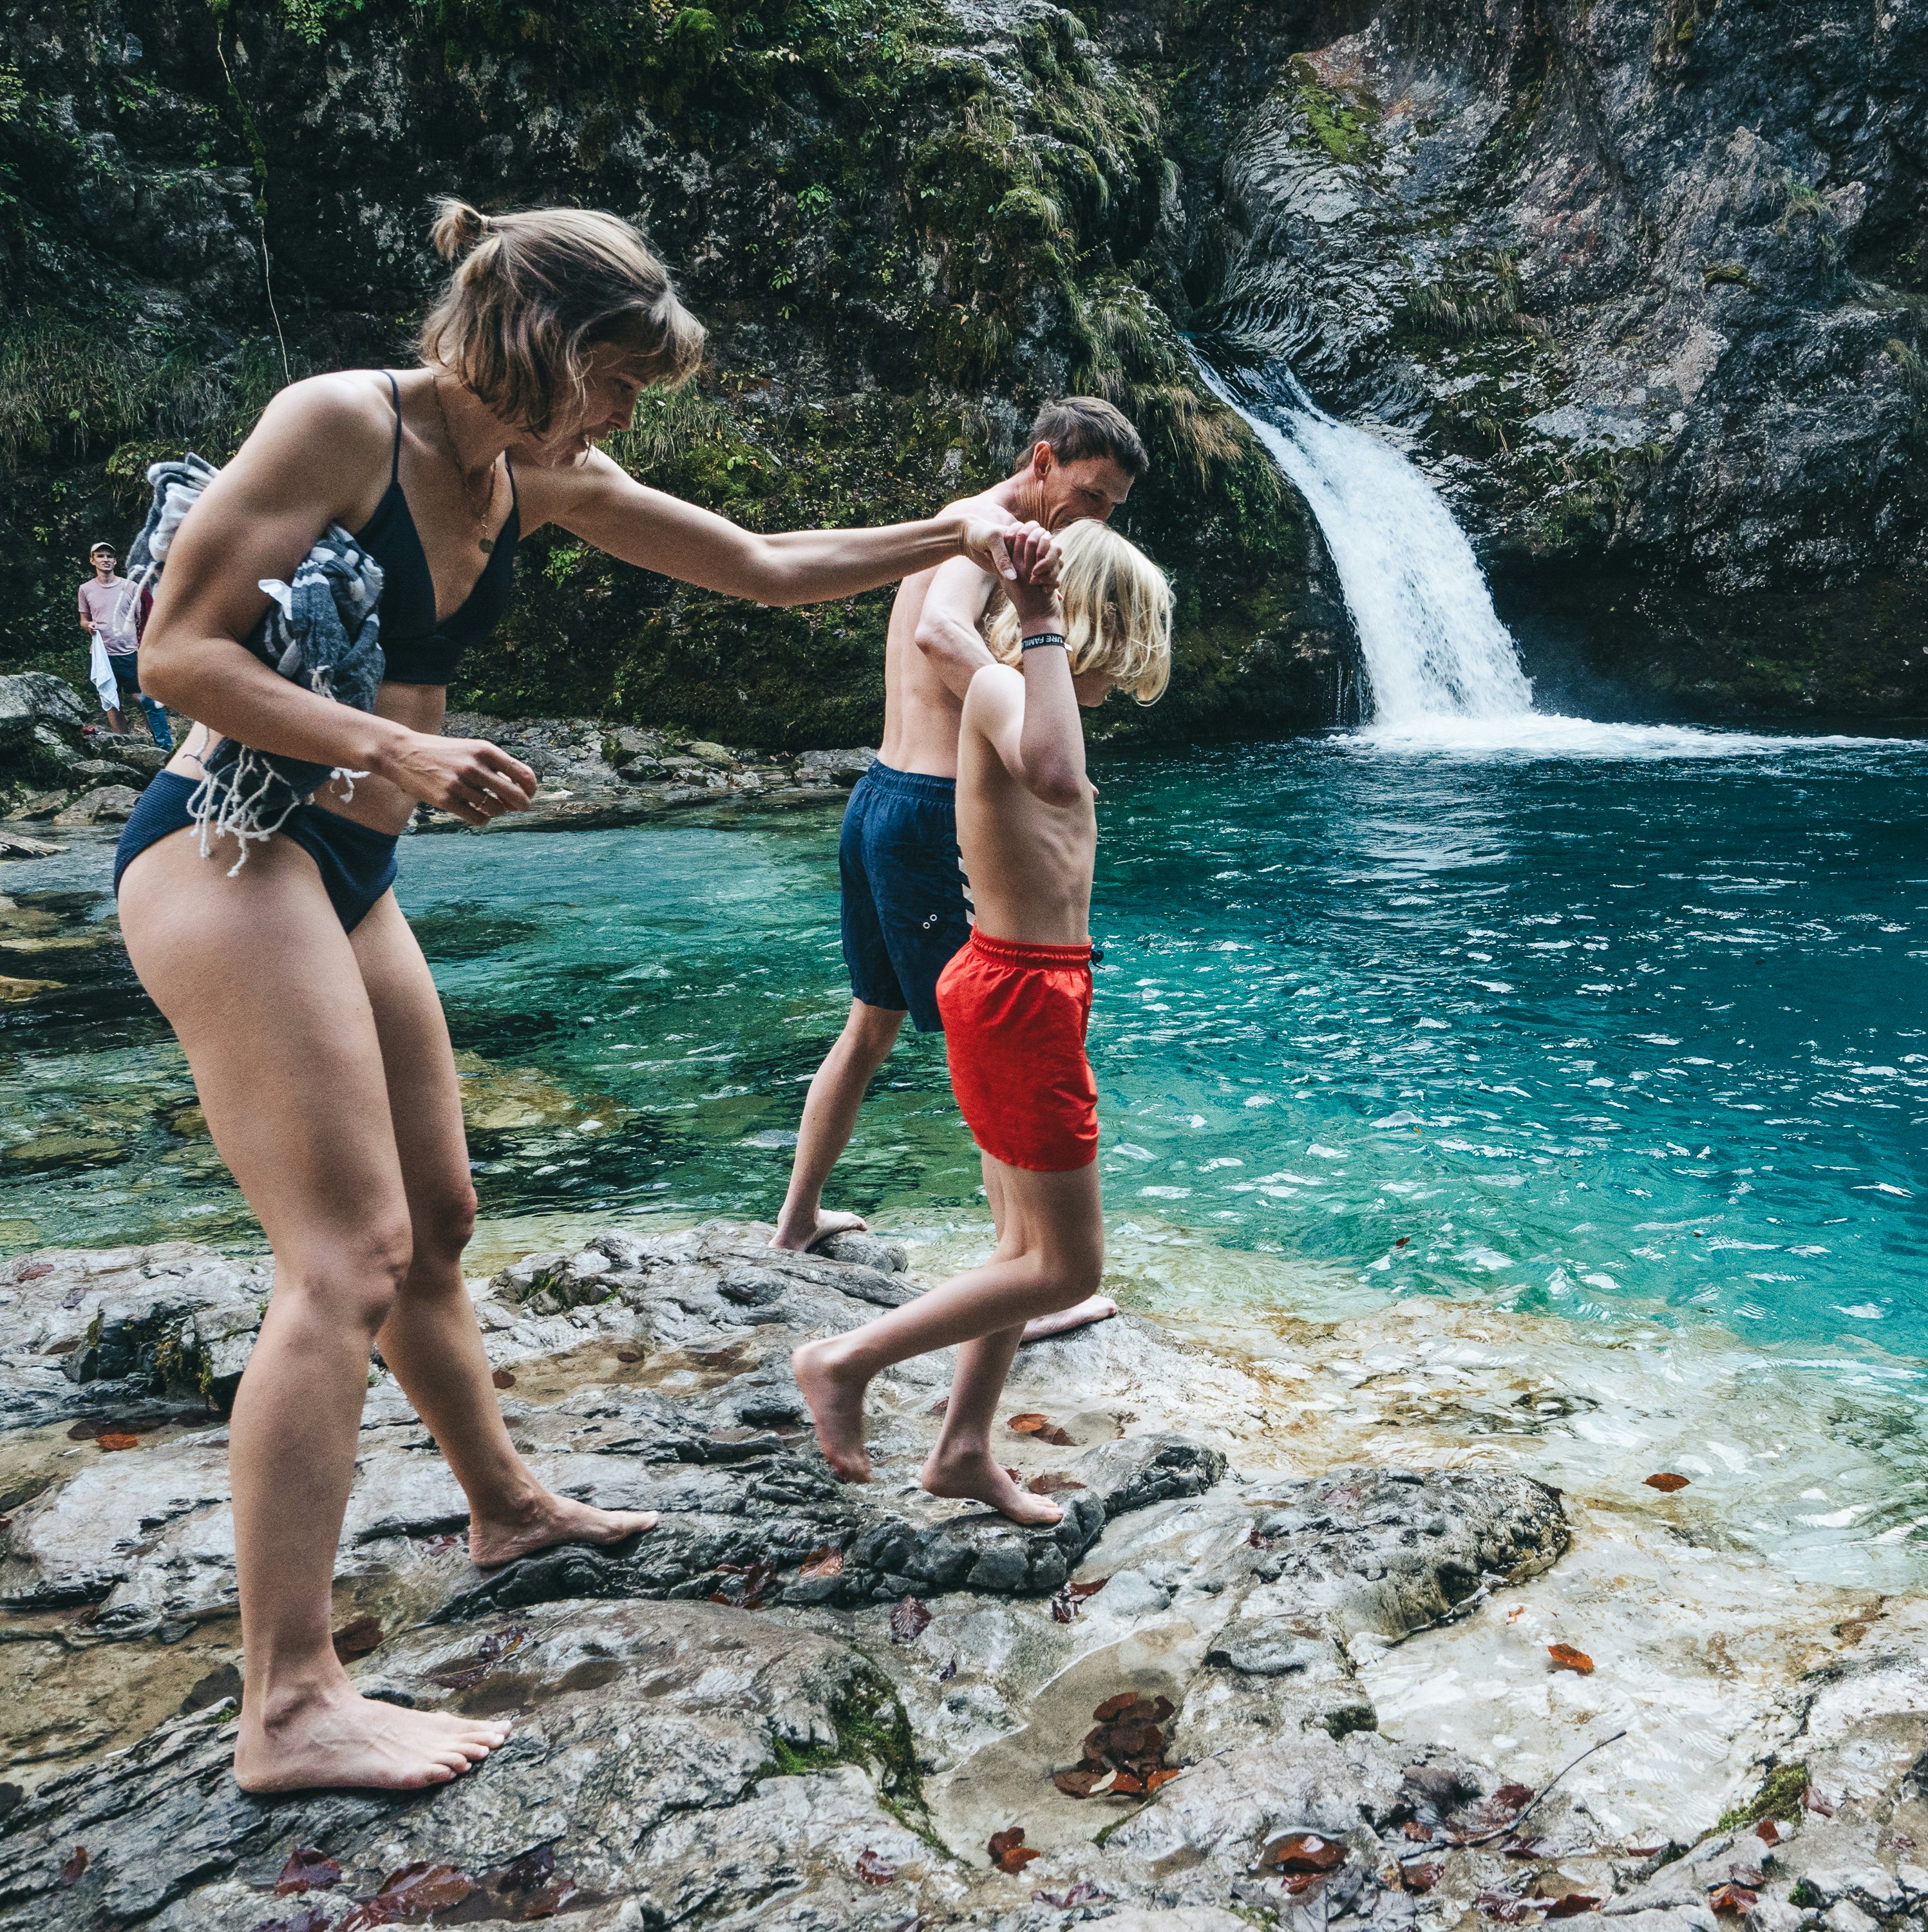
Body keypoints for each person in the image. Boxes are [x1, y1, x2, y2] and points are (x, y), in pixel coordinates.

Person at [117, 199, 1054, 1796]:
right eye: (618, 381)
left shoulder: (527, 469)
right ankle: (289, 1701)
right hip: (234, 848)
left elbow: (761, 566)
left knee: (443, 1213)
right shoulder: (342, 420)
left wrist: (954, 531)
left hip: (352, 871)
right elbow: (174, 655)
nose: (627, 417)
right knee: (344, 1257)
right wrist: (396, 750)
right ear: (545, 347)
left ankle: (501, 1505)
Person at [795, 520, 1172, 1524]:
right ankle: (844, 1361)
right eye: (1131, 637)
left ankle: (962, 1449)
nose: (1129, 671)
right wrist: (1042, 620)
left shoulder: (1011, 687)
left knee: (1018, 1246)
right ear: (1102, 624)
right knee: (1065, 1266)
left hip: (1024, 986)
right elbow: (1052, 773)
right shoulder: (1010, 686)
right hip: (1017, 995)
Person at [768, 399, 1146, 1298]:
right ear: (1045, 460)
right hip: (935, 811)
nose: (1094, 520)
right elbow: (943, 632)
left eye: (1113, 510)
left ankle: (795, 1222)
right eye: (1090, 495)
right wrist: (1021, 716)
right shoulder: (996, 533)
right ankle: (1032, 1262)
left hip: (880, 796)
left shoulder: (963, 525)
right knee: (997, 1051)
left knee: (871, 1026)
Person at [78, 542, 170, 747]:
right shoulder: (86, 590)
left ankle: (162, 744)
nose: (105, 559)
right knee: (112, 702)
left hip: (130, 653)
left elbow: (143, 619)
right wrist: (88, 625)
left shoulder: (130, 587)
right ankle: (126, 746)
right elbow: (83, 619)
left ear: (115, 561)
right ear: (92, 560)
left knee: (143, 699)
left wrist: (144, 646)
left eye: (109, 556)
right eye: (100, 556)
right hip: (102, 655)